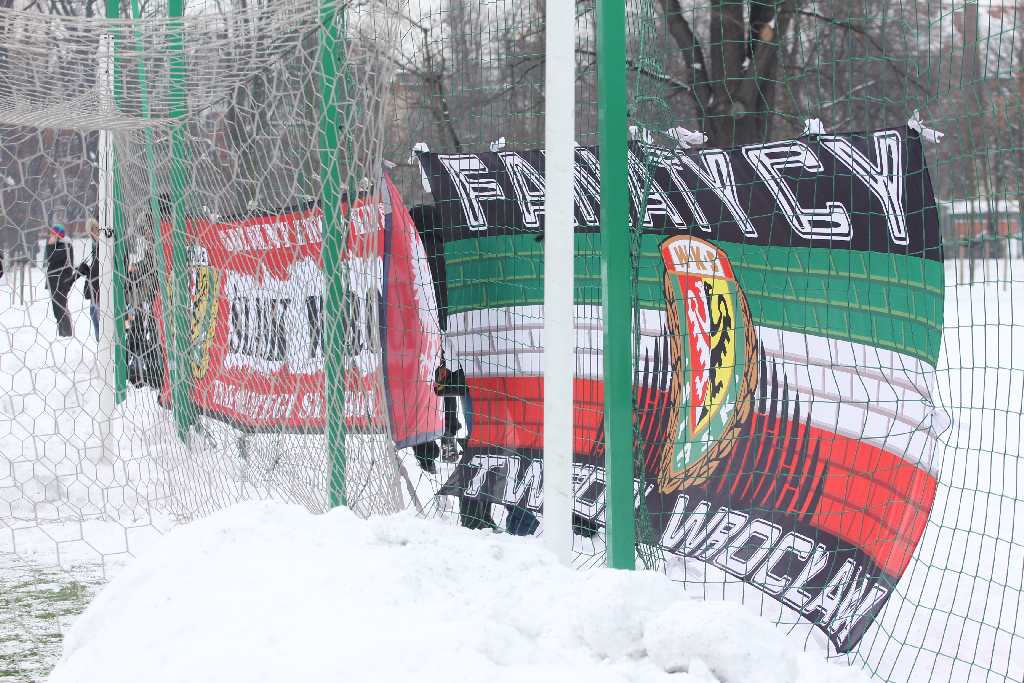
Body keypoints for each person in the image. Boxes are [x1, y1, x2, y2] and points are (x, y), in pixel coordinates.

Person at [45, 224, 76, 338]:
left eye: (53, 234)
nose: (50, 236)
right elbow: (48, 258)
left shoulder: (66, 246)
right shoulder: (56, 245)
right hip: (53, 282)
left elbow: (51, 257)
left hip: (62, 282)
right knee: (56, 310)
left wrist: (51, 245)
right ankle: (62, 334)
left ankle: (67, 334)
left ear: (58, 235)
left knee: (61, 308)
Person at [77, 218, 100, 341]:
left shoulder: (103, 245)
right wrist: (87, 269)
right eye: (91, 231)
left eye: (95, 229)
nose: (93, 233)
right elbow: (96, 265)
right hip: (95, 287)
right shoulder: (94, 245)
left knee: (98, 317)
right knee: (94, 315)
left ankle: (103, 343)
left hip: (101, 289)